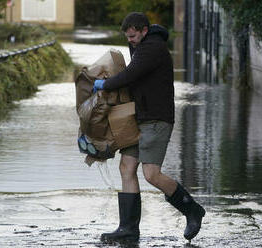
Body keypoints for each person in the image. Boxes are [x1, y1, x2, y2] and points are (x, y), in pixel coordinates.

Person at [92, 12, 206, 243]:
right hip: (139, 118)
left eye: (133, 36)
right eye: (128, 37)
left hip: (157, 119)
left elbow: (131, 74)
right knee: (127, 167)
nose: (130, 40)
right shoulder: (141, 45)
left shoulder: (153, 48)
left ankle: (192, 210)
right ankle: (128, 229)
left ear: (144, 30)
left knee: (151, 174)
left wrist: (105, 84)